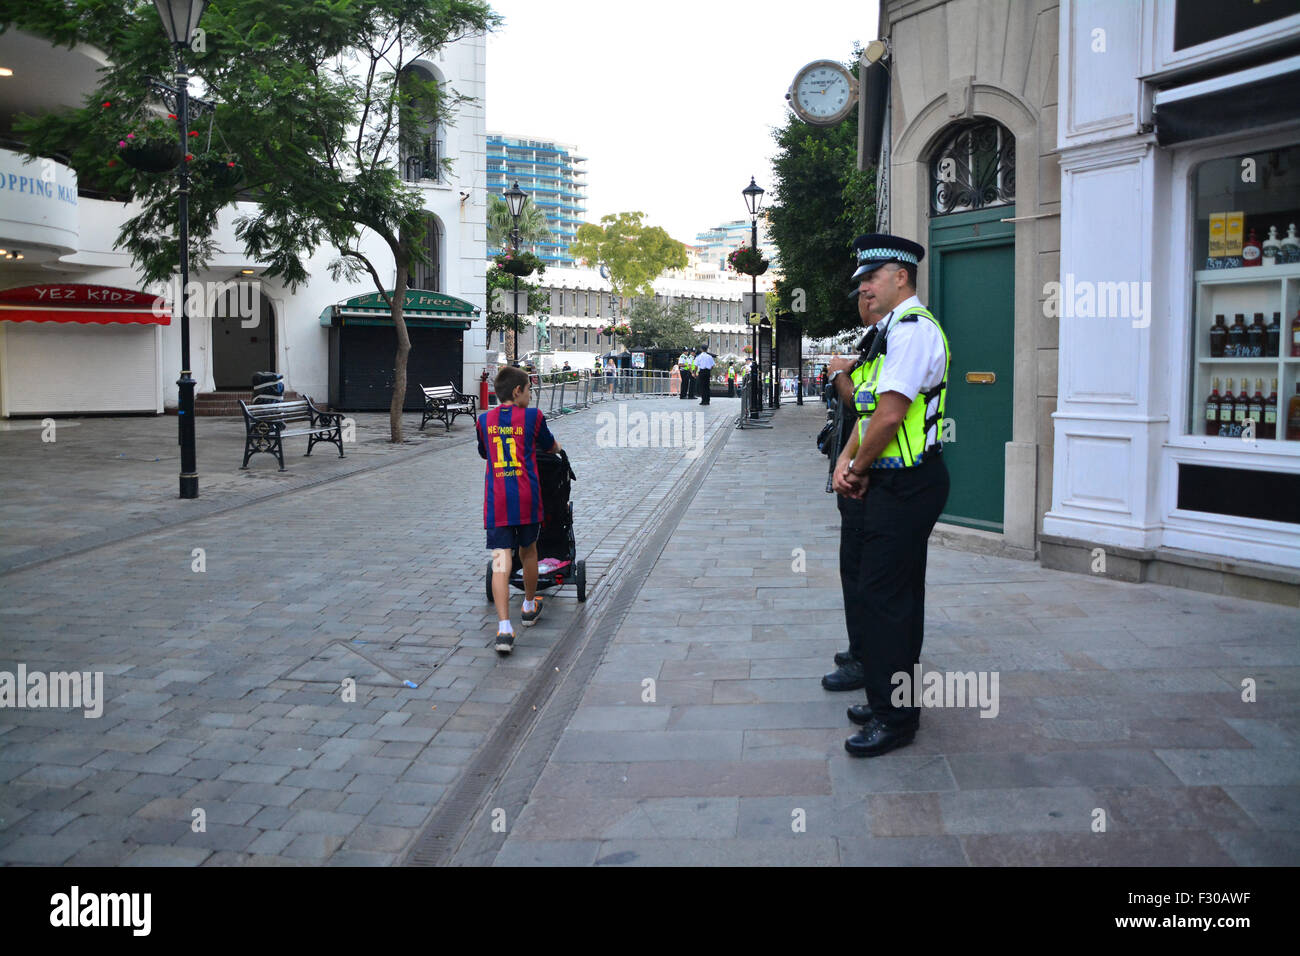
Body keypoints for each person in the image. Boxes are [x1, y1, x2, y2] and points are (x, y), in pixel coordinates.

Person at [824, 233, 951, 759]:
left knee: (887, 602)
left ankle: (895, 719)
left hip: (906, 482)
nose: (864, 289)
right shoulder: (890, 334)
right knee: (887, 598)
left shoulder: (913, 331)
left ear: (901, 276)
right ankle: (885, 697)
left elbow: (894, 413)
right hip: (888, 480)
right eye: (861, 282)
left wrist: (856, 465)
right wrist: (846, 460)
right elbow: (871, 410)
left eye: (870, 279)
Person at [477, 365, 563, 655]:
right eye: (529, 390)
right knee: (529, 551)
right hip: (526, 497)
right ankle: (528, 605)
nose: (531, 395)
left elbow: (484, 452)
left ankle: (503, 629)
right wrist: (558, 447)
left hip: (497, 499)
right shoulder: (532, 417)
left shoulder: (483, 420)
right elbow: (549, 446)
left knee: (501, 561)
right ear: (518, 391)